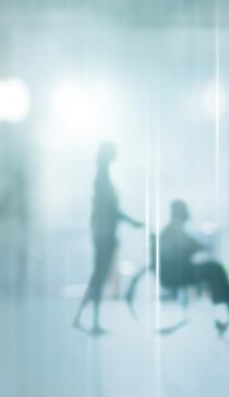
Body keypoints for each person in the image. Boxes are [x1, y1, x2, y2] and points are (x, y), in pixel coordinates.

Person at [74, 142, 143, 335]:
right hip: (104, 235)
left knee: (98, 276)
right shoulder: (103, 180)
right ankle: (90, 320)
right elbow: (112, 210)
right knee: (100, 276)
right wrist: (132, 222)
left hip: (104, 233)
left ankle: (81, 317)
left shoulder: (102, 178)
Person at [158, 200, 229, 335]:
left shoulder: (174, 230)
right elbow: (180, 250)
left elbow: (191, 245)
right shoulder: (172, 231)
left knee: (215, 269)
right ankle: (227, 310)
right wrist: (195, 248)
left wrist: (197, 247)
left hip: (179, 272)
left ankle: (225, 310)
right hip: (176, 274)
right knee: (215, 270)